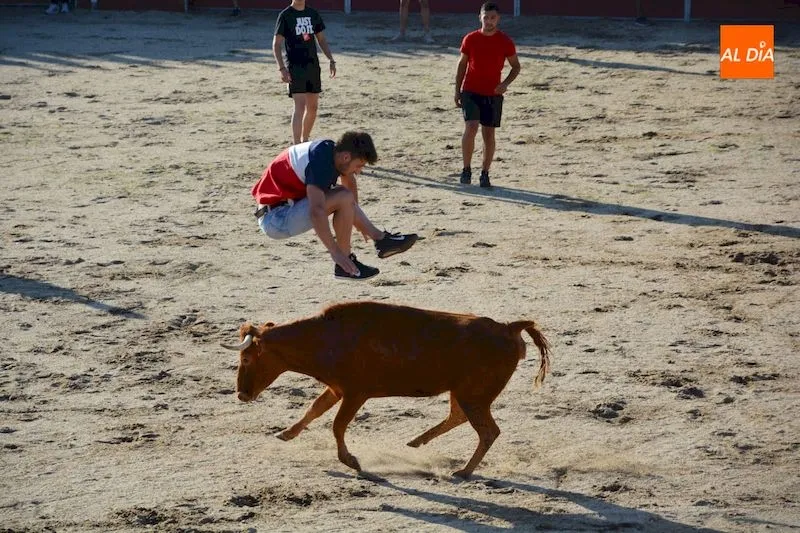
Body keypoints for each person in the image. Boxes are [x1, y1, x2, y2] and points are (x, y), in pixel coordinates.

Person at [251, 131, 418, 281]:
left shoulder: (331, 152)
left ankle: (381, 241)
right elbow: (317, 212)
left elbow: (349, 181)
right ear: (346, 157)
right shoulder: (320, 163)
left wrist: (356, 220)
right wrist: (335, 253)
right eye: (359, 165)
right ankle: (345, 263)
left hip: (284, 209)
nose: (358, 171)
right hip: (275, 219)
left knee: (344, 195)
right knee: (342, 196)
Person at [454, 2, 520, 188]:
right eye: (486, 17)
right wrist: (457, 90)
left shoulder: (505, 41)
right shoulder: (470, 39)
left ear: (498, 19)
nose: (489, 21)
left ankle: (485, 172)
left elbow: (516, 66)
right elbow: (462, 64)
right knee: (471, 127)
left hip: (493, 93)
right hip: (471, 90)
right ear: (480, 17)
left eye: (493, 18)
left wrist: (505, 84)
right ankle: (466, 169)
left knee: (489, 134)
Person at [273, 0, 336, 145]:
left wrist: (331, 59)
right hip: (295, 66)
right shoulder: (285, 15)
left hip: (312, 65)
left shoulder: (312, 14)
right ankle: (296, 145)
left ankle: (305, 139)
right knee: (300, 106)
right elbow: (276, 44)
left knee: (313, 107)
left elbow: (321, 39)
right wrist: (282, 68)